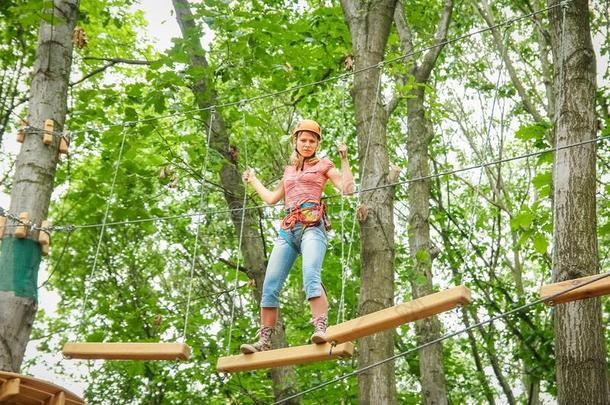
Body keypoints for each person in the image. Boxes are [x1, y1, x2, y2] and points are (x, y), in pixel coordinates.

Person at [240, 119, 354, 353]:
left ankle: (321, 327)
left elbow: (347, 189)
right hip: (288, 230)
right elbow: (272, 199)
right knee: (270, 284)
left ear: (317, 144)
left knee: (310, 273)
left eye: (312, 141)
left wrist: (344, 159)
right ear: (295, 141)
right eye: (303, 140)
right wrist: (253, 181)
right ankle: (264, 340)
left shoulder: (324, 165)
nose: (307, 144)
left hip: (312, 226)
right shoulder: (289, 171)